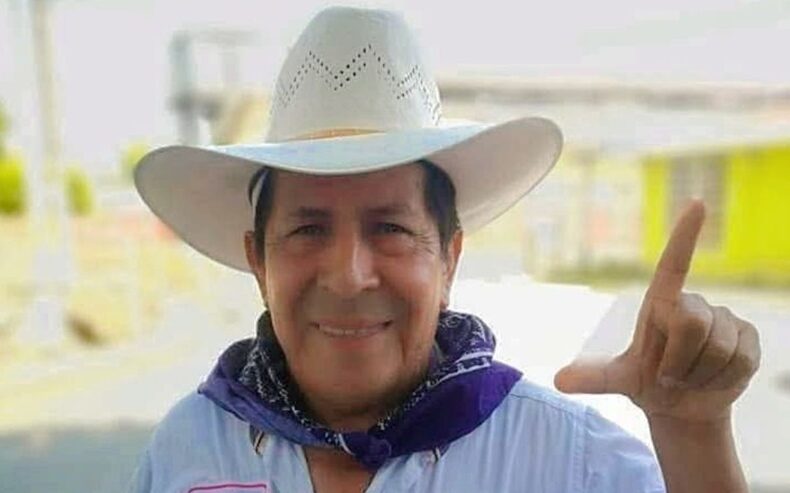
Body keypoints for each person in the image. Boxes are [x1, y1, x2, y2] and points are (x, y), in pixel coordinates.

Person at [129, 6, 761, 493]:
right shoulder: (189, 447)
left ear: (449, 258)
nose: (349, 276)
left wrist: (694, 434)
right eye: (308, 230)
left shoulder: (571, 462)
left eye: (391, 229)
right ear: (259, 262)